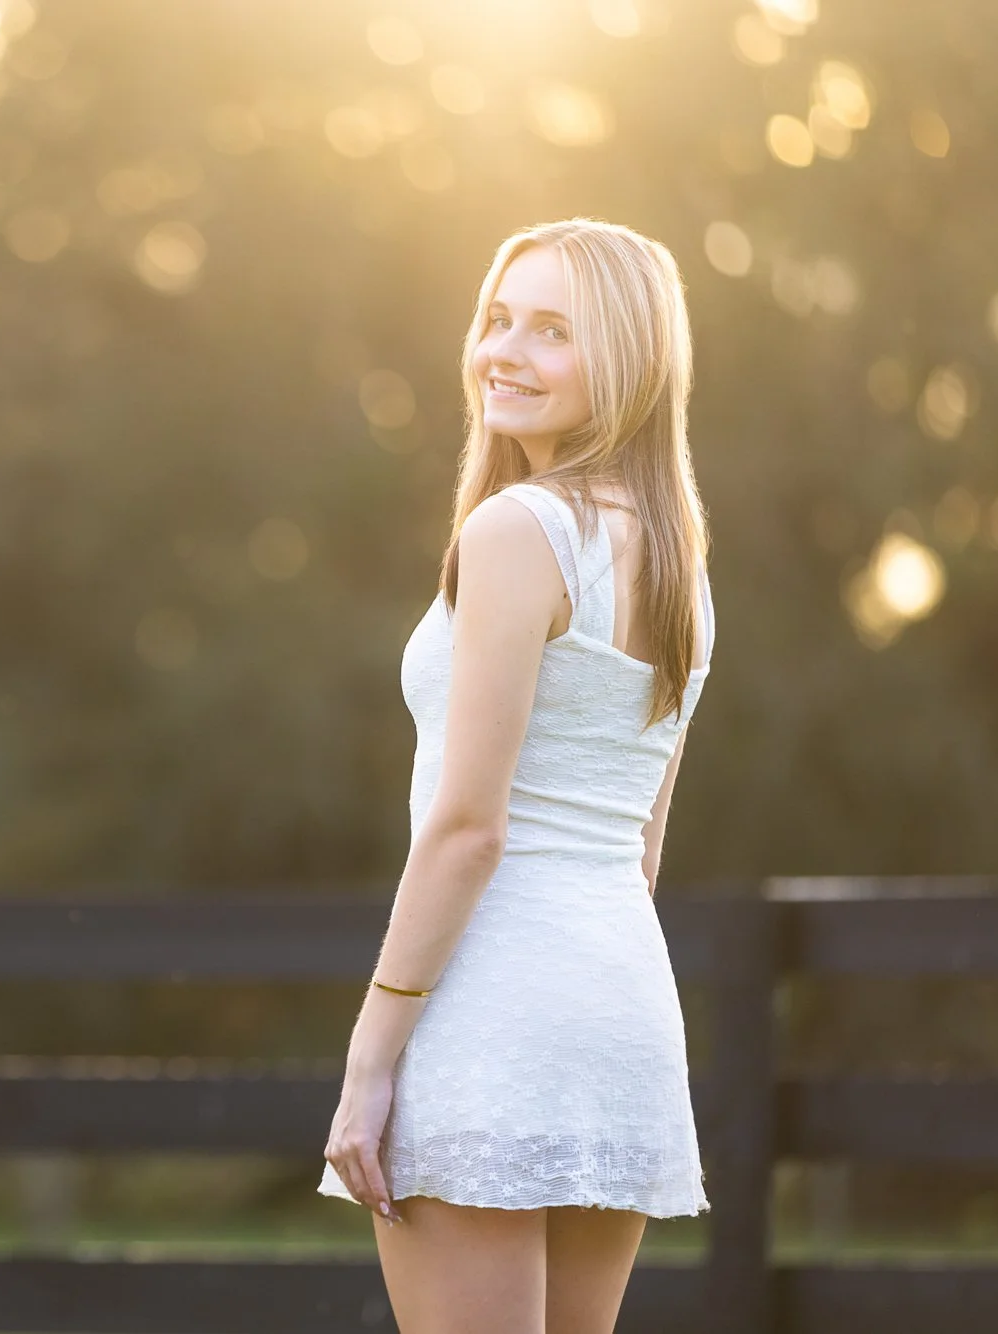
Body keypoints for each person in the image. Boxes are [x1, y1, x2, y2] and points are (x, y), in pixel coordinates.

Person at [317, 217, 717, 1334]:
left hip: (494, 1005)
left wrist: (370, 1053)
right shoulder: (676, 555)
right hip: (617, 1007)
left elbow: (466, 830)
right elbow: (638, 850)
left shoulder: (514, 529)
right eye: (496, 318)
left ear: (628, 360)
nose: (503, 350)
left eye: (551, 331)